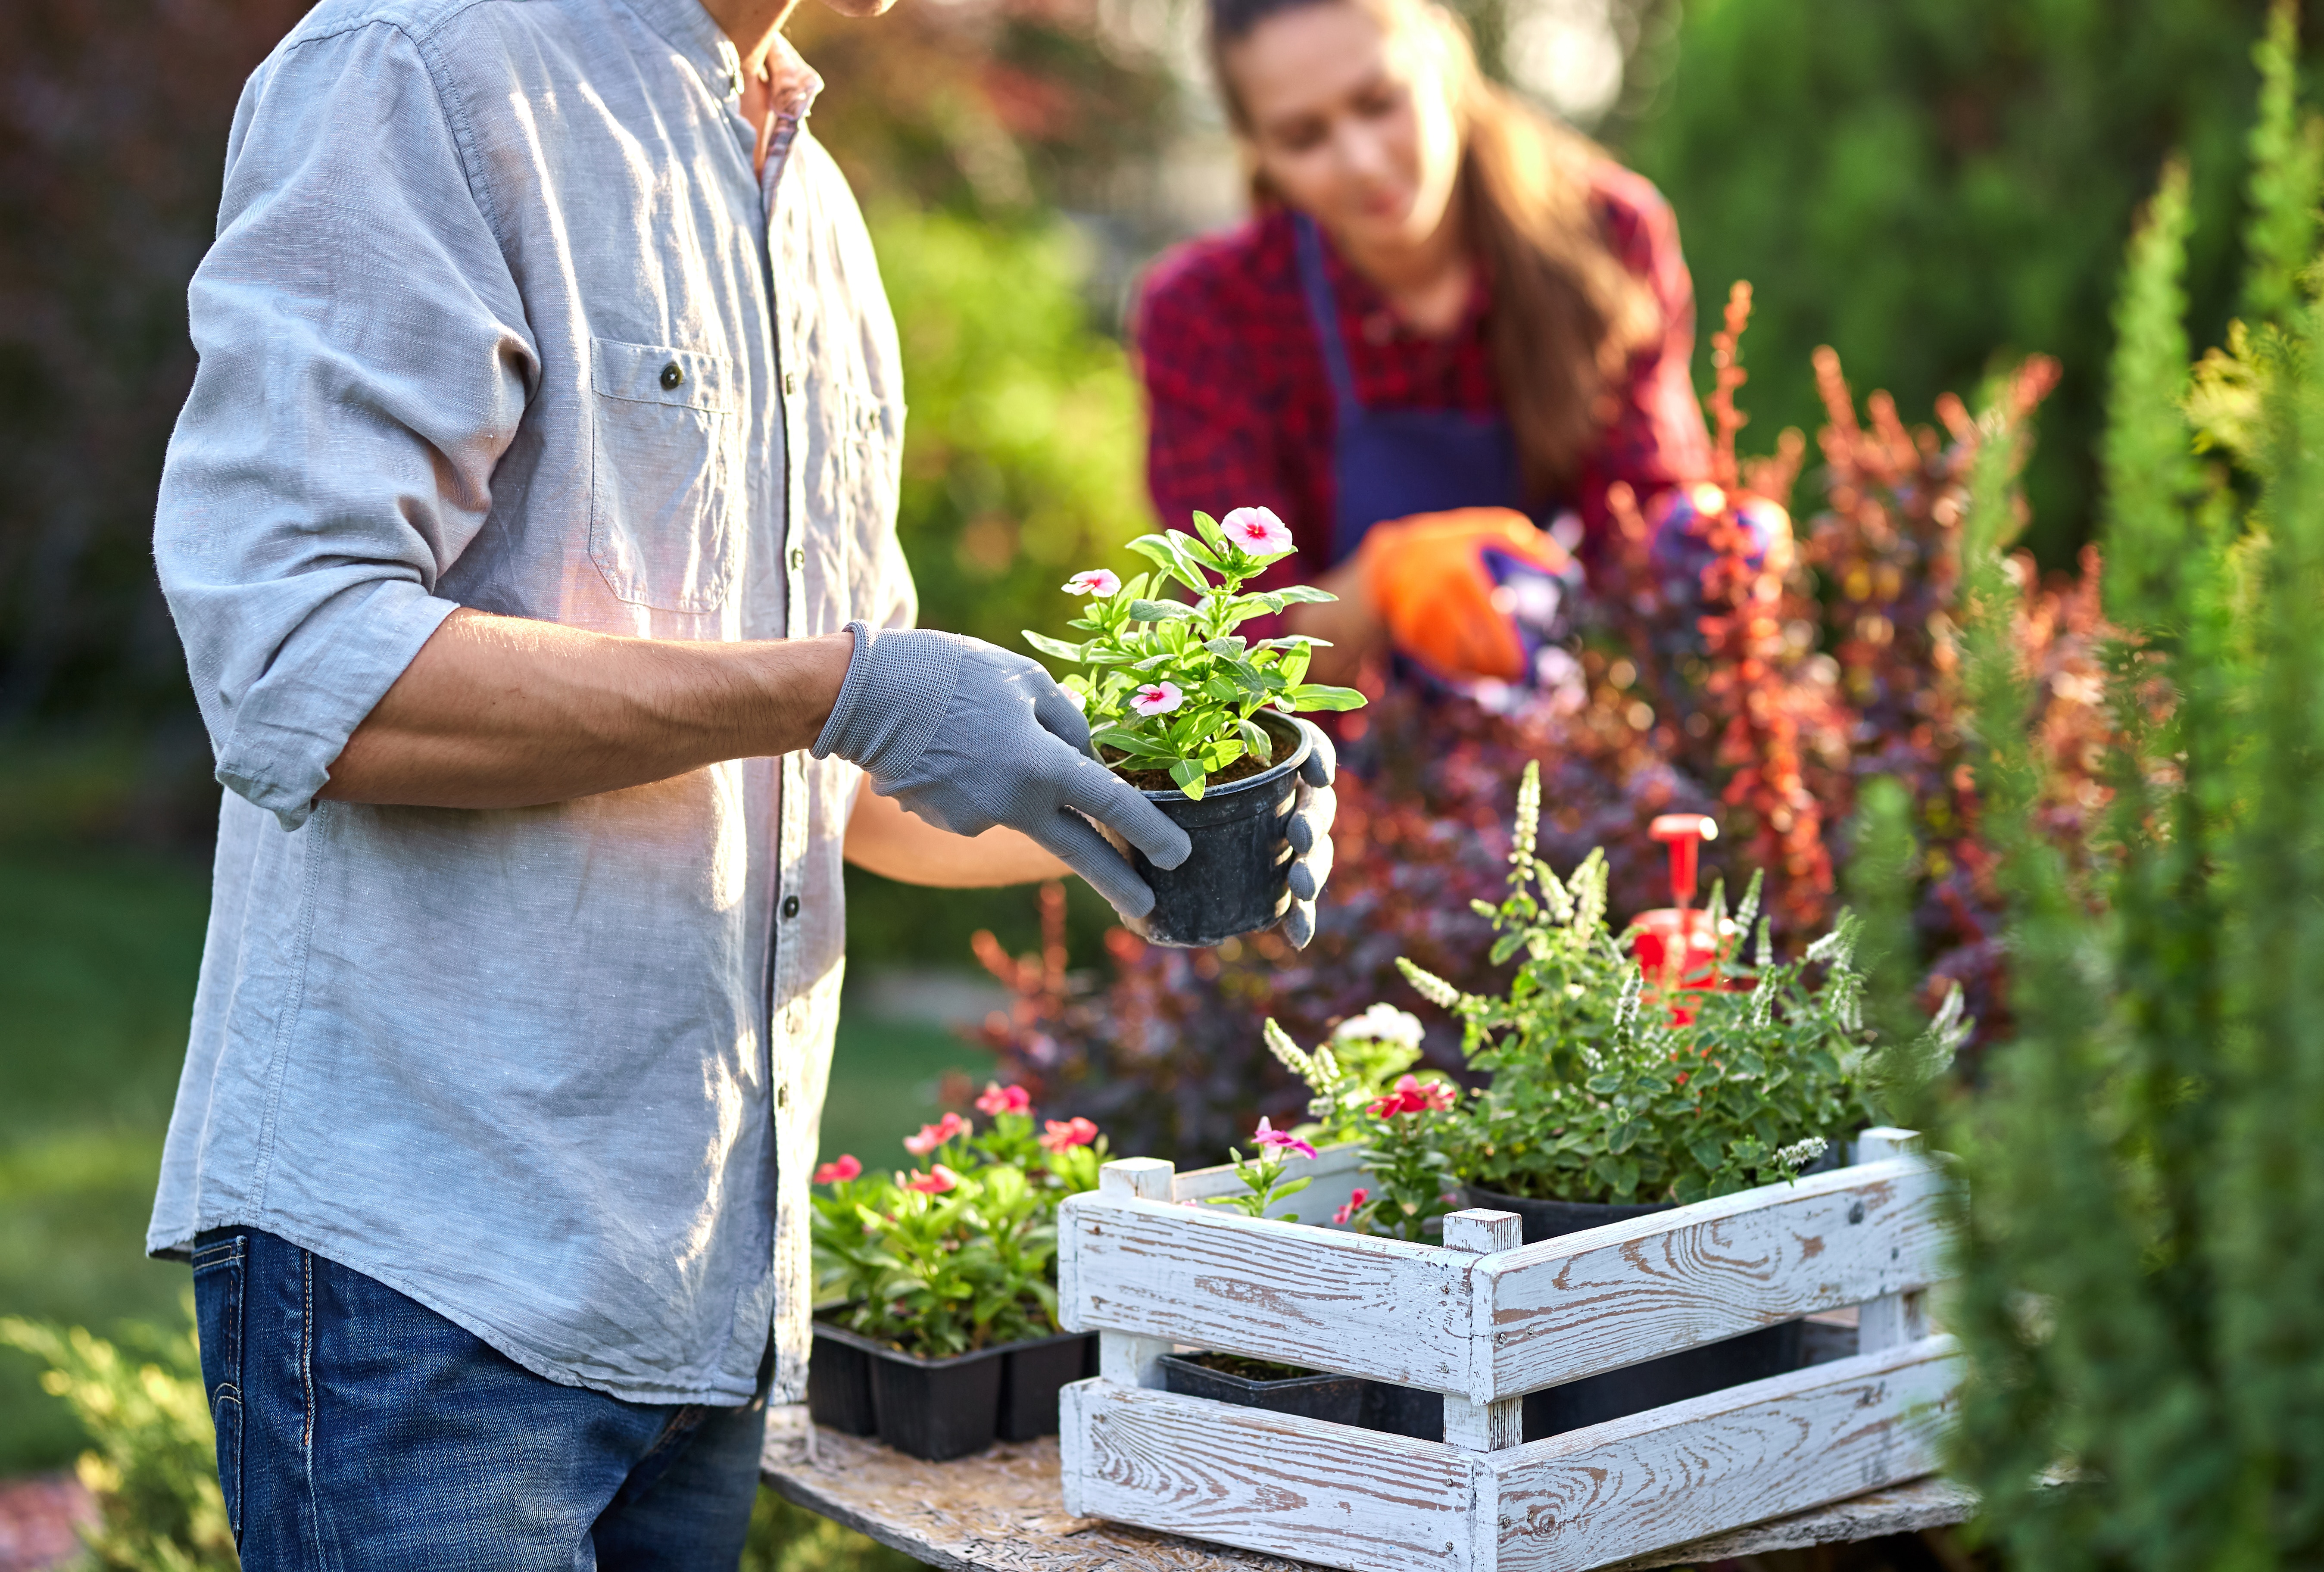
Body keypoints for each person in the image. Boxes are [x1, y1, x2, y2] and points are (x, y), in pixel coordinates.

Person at [143, 0, 1335, 1560]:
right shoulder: (418, 72)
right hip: (426, 1282)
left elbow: (834, 782)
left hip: (699, 1300)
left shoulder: (809, 199)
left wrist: (1136, 812)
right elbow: (302, 661)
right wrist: (839, 685)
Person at [1134, 0, 1752, 696]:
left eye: (1379, 102)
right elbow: (1232, 650)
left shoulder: (1605, 237)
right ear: (1261, 153)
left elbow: (1636, 517)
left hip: (1569, 727)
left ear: (1445, 59)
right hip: (1341, 770)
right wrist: (1381, 583)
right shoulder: (1208, 315)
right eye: (1304, 138)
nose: (1363, 163)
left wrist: (1706, 544)